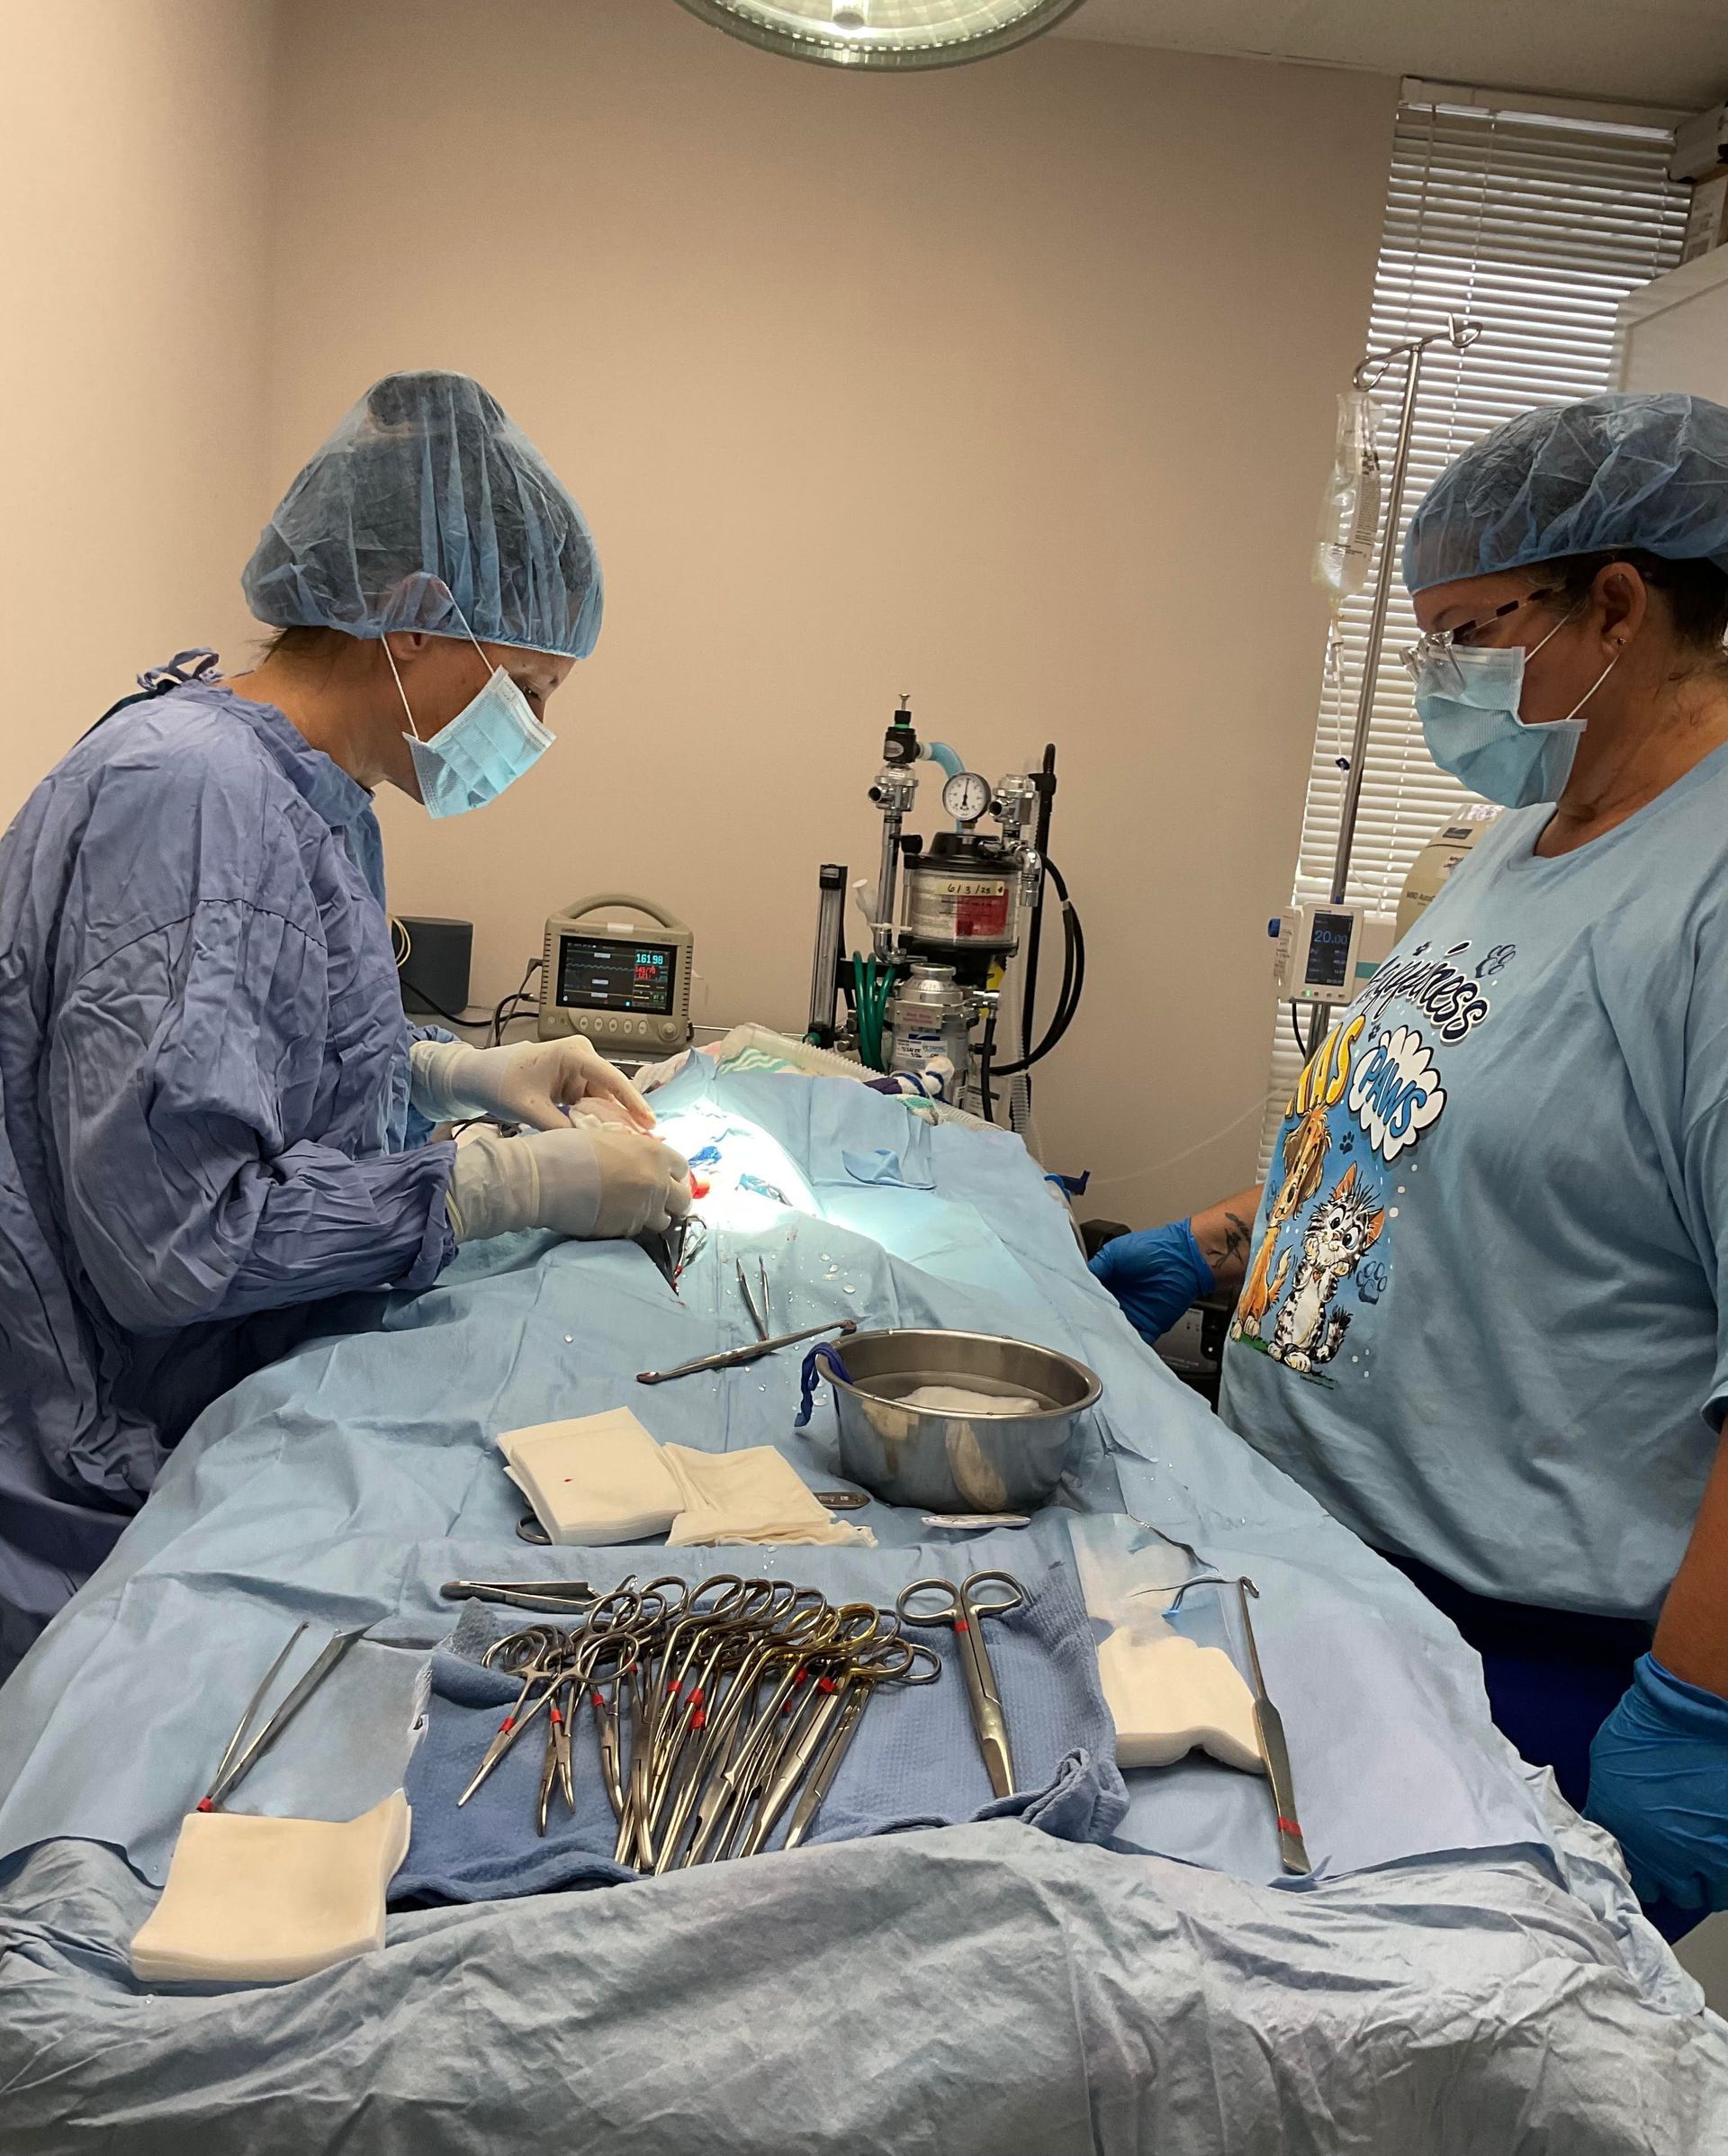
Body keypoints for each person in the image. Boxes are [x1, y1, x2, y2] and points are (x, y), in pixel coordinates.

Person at [1092, 392, 1728, 1933]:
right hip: (1316, 1567)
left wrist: (1697, 1713)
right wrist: (1228, 1235)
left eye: (1465, 635)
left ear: (1617, 607)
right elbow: (1448, 1132)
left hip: (1522, 1660)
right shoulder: (1526, 836)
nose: (1441, 681)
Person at [0, 371, 690, 1673]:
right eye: (528, 688)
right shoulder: (191, 795)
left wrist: (457, 1078)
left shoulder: (307, 790)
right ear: (415, 622)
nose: (535, 733)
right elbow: (174, 1246)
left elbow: (248, 1055)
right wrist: (505, 1186)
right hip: (93, 1466)